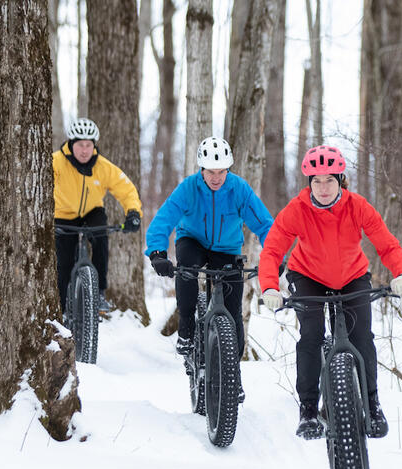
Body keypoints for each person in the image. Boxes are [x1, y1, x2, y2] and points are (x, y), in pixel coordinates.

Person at [258, 145, 402, 439]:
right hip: (308, 276)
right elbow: (273, 249)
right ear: (309, 183)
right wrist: (269, 285)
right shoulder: (297, 209)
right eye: (316, 181)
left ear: (340, 179)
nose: (323, 187)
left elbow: (386, 244)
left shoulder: (358, 206)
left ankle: (372, 404)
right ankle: (307, 411)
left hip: (352, 276)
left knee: (362, 337)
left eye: (329, 180)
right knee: (311, 336)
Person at [145, 136, 274, 398]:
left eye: (222, 172)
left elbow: (265, 224)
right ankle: (186, 330)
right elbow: (164, 218)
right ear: (201, 170)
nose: (216, 178)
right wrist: (157, 252)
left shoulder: (239, 189)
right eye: (211, 172)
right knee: (188, 269)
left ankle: (233, 375)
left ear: (229, 170)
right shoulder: (188, 188)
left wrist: (275, 254)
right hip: (191, 240)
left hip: (226, 248)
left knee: (233, 311)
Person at [53, 117, 142, 313]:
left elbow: (126, 189)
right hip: (63, 215)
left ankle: (100, 291)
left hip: (92, 212)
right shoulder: (56, 162)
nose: (85, 150)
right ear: (71, 144)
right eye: (80, 145)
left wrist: (133, 212)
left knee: (101, 238)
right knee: (63, 263)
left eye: (89, 145)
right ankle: (61, 309)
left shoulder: (103, 166)